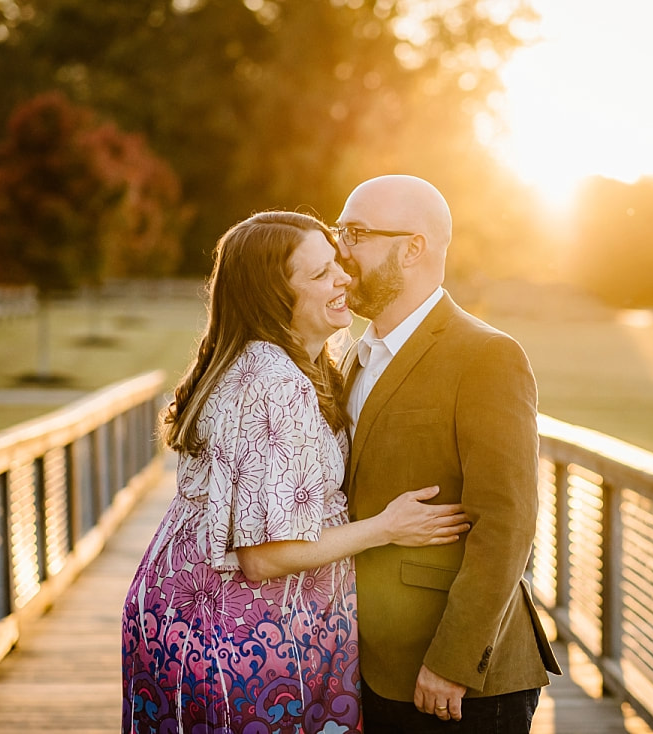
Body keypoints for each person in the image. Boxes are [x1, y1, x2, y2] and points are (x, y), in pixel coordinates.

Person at [121, 210, 471, 734]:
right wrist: (388, 527)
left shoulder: (297, 366)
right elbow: (262, 557)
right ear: (272, 297)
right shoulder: (271, 381)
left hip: (210, 618)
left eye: (337, 264)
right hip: (235, 636)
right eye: (319, 275)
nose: (344, 279)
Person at [334, 175, 561, 733]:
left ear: (413, 247)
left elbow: (506, 523)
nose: (340, 250)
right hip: (370, 666)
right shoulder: (351, 357)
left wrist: (452, 662)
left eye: (356, 234)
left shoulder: (487, 356)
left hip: (457, 684)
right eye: (340, 231)